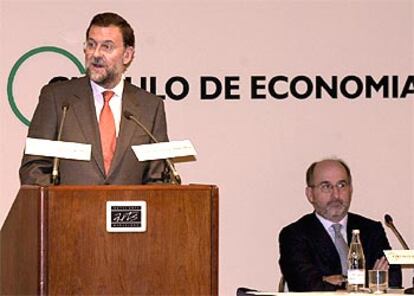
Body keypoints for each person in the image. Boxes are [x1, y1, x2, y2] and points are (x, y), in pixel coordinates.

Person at [19, 12, 169, 185]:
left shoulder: (150, 107)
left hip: (128, 211)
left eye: (107, 47)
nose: (96, 54)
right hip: (68, 211)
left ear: (127, 55)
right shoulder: (57, 99)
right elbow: (33, 168)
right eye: (91, 45)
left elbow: (158, 178)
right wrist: (63, 204)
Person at [278, 158, 402, 291]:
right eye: (326, 187)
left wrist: (329, 281)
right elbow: (305, 284)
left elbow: (393, 278)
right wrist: (368, 282)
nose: (336, 195)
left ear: (351, 190)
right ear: (310, 194)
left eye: (342, 185)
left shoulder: (371, 230)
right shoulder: (294, 235)